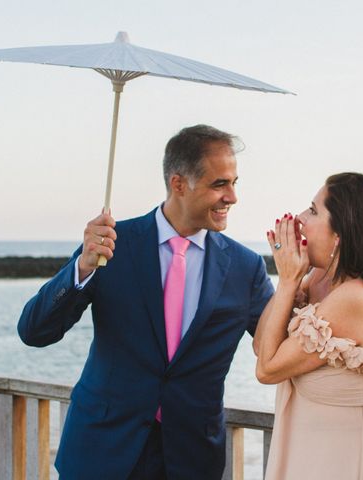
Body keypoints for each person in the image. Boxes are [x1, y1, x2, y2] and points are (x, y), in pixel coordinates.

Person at [17, 125, 274, 479]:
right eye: (220, 184)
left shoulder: (246, 268)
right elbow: (34, 331)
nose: (232, 196)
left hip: (190, 460)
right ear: (179, 184)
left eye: (234, 183)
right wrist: (82, 268)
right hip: (101, 454)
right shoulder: (110, 246)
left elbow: (278, 348)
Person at [255, 172, 363, 480]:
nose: (299, 218)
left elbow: (266, 370)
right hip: (306, 459)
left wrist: (287, 282)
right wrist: (292, 280)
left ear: (341, 234)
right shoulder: (318, 282)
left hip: (340, 466)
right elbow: (262, 347)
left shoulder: (356, 298)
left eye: (313, 210)